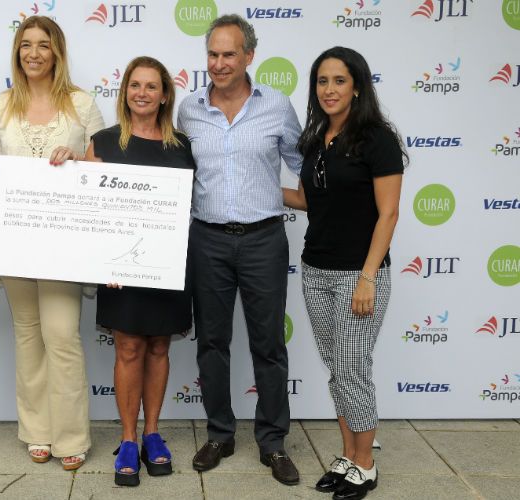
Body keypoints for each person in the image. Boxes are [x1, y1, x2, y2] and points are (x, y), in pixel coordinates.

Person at [0, 16, 104, 470]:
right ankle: (37, 431)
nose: (33, 53)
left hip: (63, 245)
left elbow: (103, 169)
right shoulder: (2, 104)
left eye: (43, 45)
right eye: (26, 45)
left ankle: (71, 437)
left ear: (57, 51)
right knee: (28, 336)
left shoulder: (82, 103)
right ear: (17, 52)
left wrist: (78, 160)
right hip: (14, 241)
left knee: (61, 335)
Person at [177, 14, 302, 485]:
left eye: (229, 54)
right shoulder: (188, 109)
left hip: (264, 240)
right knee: (211, 343)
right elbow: (175, 173)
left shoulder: (277, 106)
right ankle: (220, 433)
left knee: (268, 344)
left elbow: (305, 166)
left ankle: (272, 442)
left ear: (250, 56)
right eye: (212, 54)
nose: (220, 63)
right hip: (206, 239)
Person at [282, 46, 405, 500]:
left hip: (360, 274)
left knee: (354, 370)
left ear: (357, 86)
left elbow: (388, 214)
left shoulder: (377, 138)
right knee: (338, 370)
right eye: (321, 81)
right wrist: (257, 189)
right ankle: (349, 456)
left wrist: (368, 277)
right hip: (315, 271)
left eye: (338, 80)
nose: (329, 89)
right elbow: (307, 202)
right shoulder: (315, 138)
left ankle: (366, 465)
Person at [84, 56, 195, 487]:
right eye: (135, 85)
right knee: (128, 348)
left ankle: (152, 433)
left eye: (152, 86)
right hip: (120, 269)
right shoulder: (104, 142)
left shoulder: (184, 145)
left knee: (159, 348)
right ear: (124, 92)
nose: (143, 93)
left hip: (169, 266)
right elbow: (87, 209)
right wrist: (104, 260)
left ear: (165, 94)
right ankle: (128, 438)